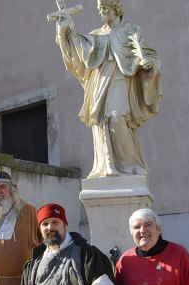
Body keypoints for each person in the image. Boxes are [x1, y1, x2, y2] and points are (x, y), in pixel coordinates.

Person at [55, 0, 161, 178]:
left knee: (117, 117)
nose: (101, 12)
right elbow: (79, 54)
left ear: (115, 9)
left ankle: (130, 165)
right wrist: (65, 33)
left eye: (104, 8)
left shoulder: (131, 31)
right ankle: (107, 166)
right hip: (100, 81)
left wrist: (148, 63)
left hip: (120, 79)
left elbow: (149, 54)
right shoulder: (97, 35)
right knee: (102, 122)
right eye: (99, 9)